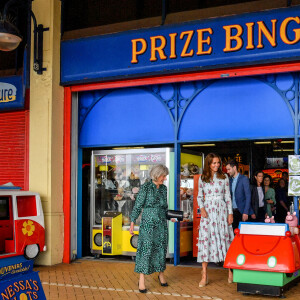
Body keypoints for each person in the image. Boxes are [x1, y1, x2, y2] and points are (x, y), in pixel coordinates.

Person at [129, 164, 176, 293]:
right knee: (146, 249)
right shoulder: (146, 187)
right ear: (157, 174)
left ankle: (161, 274)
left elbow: (165, 208)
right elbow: (138, 206)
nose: (165, 178)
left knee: (161, 249)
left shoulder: (163, 189)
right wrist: (132, 222)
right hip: (148, 224)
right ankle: (142, 279)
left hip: (161, 223)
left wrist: (170, 217)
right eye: (163, 176)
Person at [197, 153, 234, 287]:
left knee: (226, 239)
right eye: (214, 163)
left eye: (218, 163)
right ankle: (204, 274)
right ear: (208, 164)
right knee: (206, 240)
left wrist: (230, 213)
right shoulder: (202, 178)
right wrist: (202, 208)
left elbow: (228, 197)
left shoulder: (224, 177)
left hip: (221, 211)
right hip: (208, 213)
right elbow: (199, 197)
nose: (217, 165)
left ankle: (230, 272)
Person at [225, 159, 253, 230]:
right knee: (234, 234)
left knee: (243, 234)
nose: (227, 172)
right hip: (232, 212)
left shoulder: (244, 179)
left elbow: (248, 196)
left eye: (229, 169)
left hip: (242, 212)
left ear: (234, 167)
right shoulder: (229, 180)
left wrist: (246, 212)